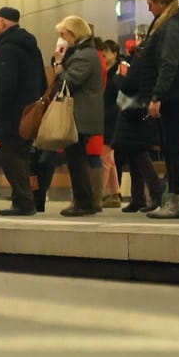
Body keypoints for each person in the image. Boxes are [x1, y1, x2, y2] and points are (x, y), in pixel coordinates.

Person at [129, 0, 179, 218]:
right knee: (170, 148)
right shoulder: (166, 25)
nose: (148, 9)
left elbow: (169, 63)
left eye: (150, 4)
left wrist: (157, 95)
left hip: (173, 96)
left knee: (173, 149)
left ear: (160, 2)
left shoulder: (171, 26)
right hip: (173, 94)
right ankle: (173, 198)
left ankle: (176, 201)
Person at [0, 6, 46, 216]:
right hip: (28, 114)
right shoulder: (32, 48)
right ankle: (25, 199)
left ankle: (23, 201)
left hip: (10, 114)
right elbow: (42, 80)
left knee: (10, 157)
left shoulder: (6, 48)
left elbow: (5, 83)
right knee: (22, 156)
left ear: (2, 22)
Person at [30, 16, 105, 217]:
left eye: (63, 34)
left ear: (74, 34)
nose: (62, 39)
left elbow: (68, 82)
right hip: (79, 113)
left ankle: (84, 201)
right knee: (76, 158)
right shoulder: (83, 53)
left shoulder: (85, 56)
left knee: (77, 159)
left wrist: (59, 62)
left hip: (81, 114)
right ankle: (84, 200)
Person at [109, 49, 165, 214]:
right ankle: (138, 197)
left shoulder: (140, 59)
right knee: (133, 152)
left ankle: (156, 191)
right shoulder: (149, 59)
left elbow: (130, 86)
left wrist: (117, 78)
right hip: (138, 112)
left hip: (134, 113)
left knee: (139, 153)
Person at [98, 40, 126, 207]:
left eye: (106, 53)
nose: (103, 56)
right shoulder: (105, 71)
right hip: (104, 116)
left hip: (113, 117)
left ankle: (98, 192)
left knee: (104, 156)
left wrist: (109, 113)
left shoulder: (119, 72)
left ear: (115, 53)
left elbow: (119, 97)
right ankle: (114, 193)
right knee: (110, 157)